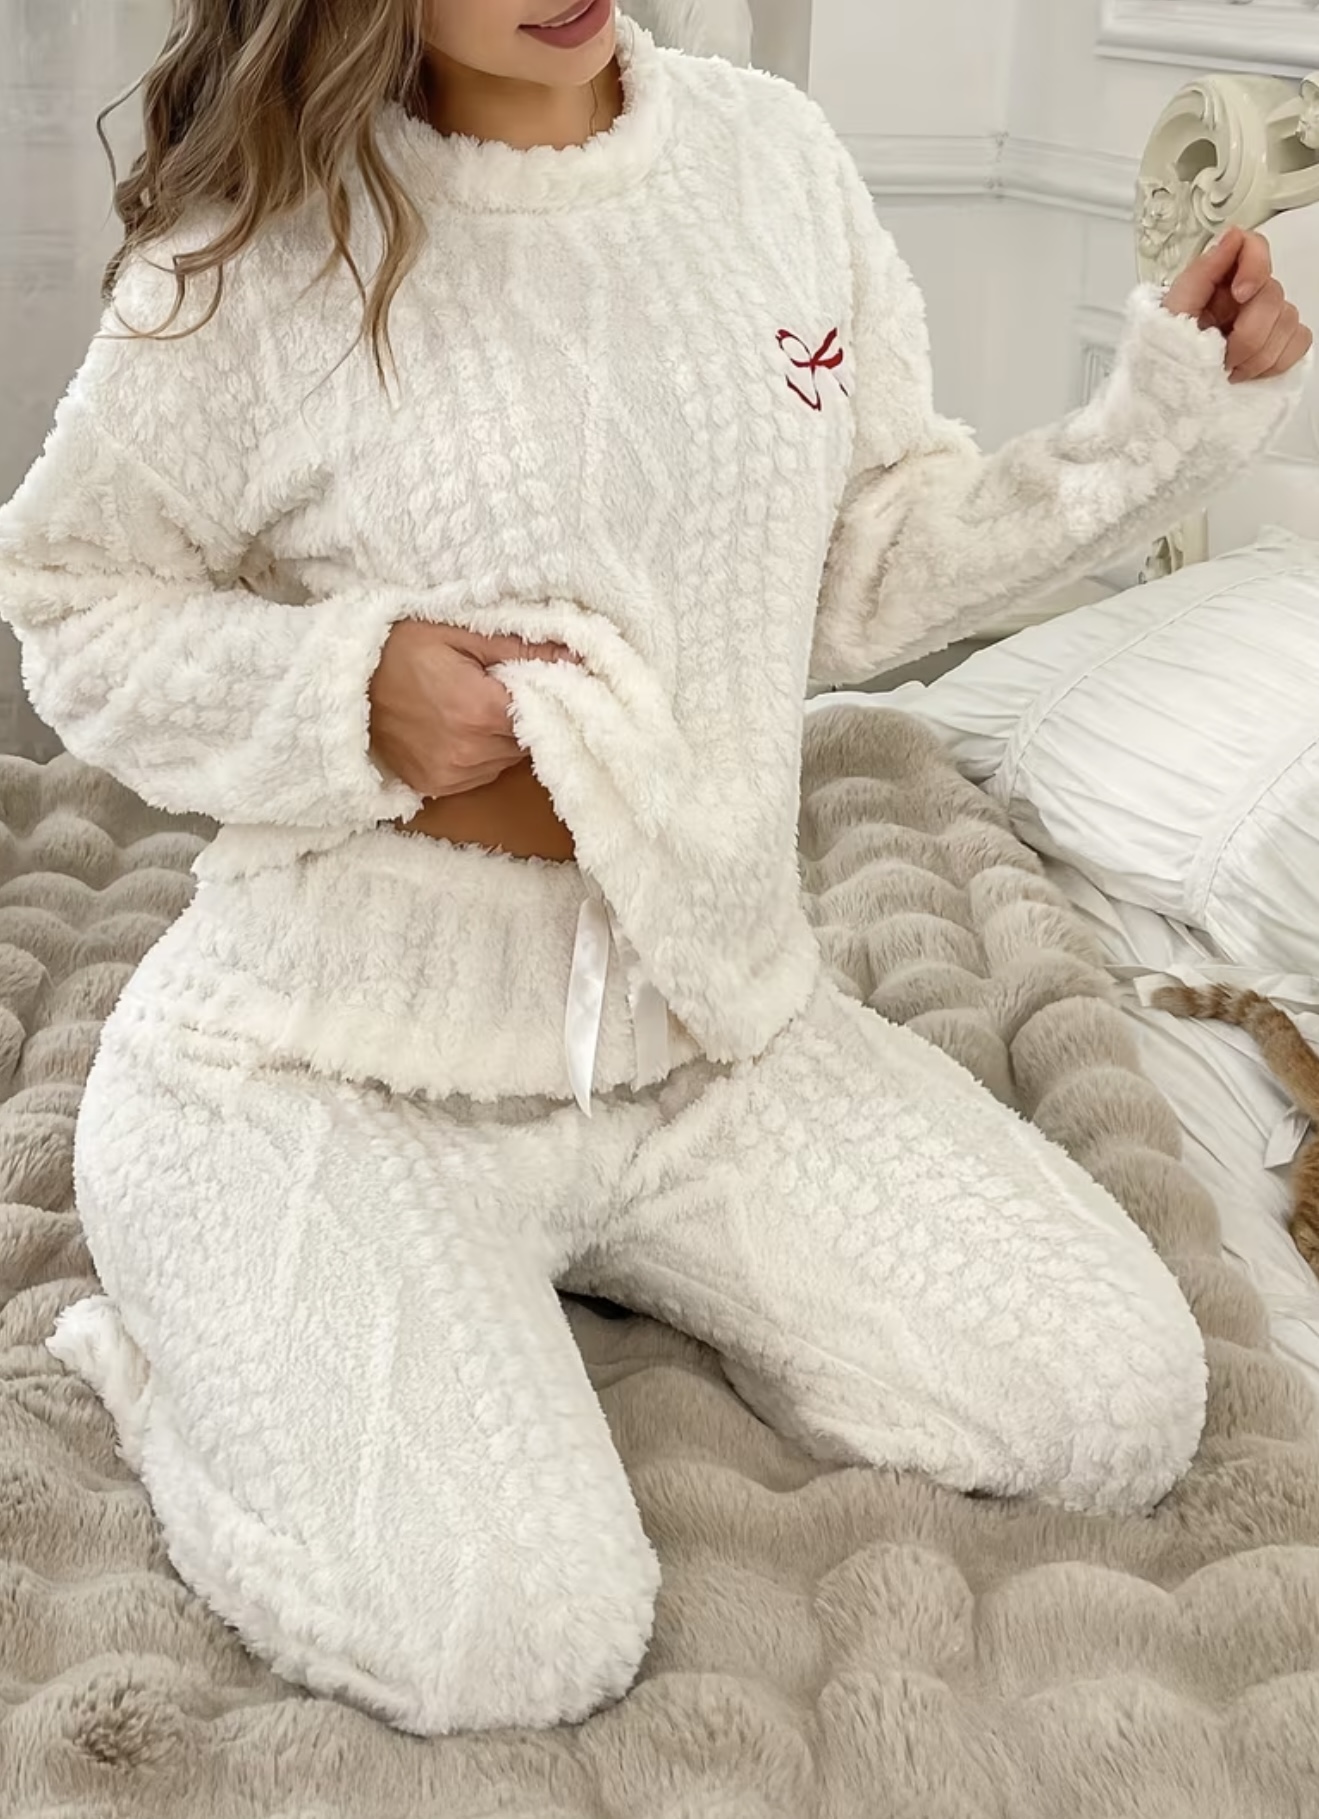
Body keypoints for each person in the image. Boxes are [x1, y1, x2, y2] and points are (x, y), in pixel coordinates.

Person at [0, 0, 1310, 1740]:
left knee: (1112, 1401)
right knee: (513, 1637)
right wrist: (345, 690)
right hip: (326, 1057)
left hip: (710, 1031)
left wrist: (1163, 423)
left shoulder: (771, 160)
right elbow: (72, 599)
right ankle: (186, 1358)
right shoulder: (265, 240)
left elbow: (868, 559)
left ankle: (594, 1257)